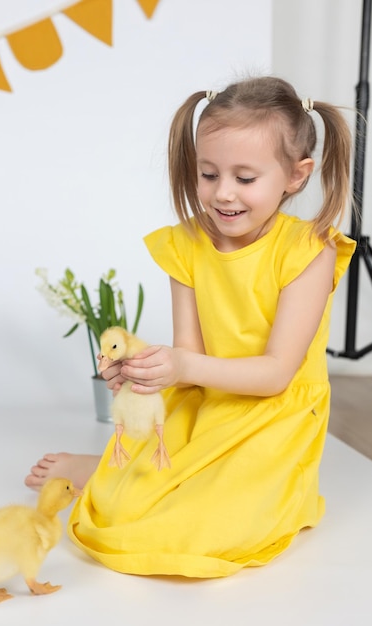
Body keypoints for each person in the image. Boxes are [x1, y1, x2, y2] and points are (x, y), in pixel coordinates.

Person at [25, 76, 356, 578]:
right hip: (209, 402)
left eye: (245, 179)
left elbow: (275, 375)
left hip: (272, 416)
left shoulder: (310, 251)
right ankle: (105, 470)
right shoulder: (187, 244)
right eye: (208, 174)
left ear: (296, 174)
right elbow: (190, 358)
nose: (223, 194)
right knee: (122, 509)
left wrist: (181, 364)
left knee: (207, 526)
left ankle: (112, 472)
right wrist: (147, 371)